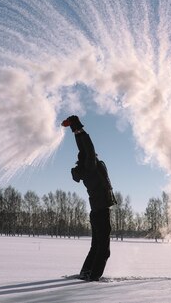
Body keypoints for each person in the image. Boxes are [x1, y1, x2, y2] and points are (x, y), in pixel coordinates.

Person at [61, 115, 116, 282]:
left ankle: (86, 272)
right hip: (100, 212)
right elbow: (88, 148)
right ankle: (93, 279)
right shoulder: (90, 167)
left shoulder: (86, 169)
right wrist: (77, 128)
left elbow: (86, 150)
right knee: (103, 250)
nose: (95, 155)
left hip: (96, 212)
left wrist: (75, 131)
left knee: (96, 247)